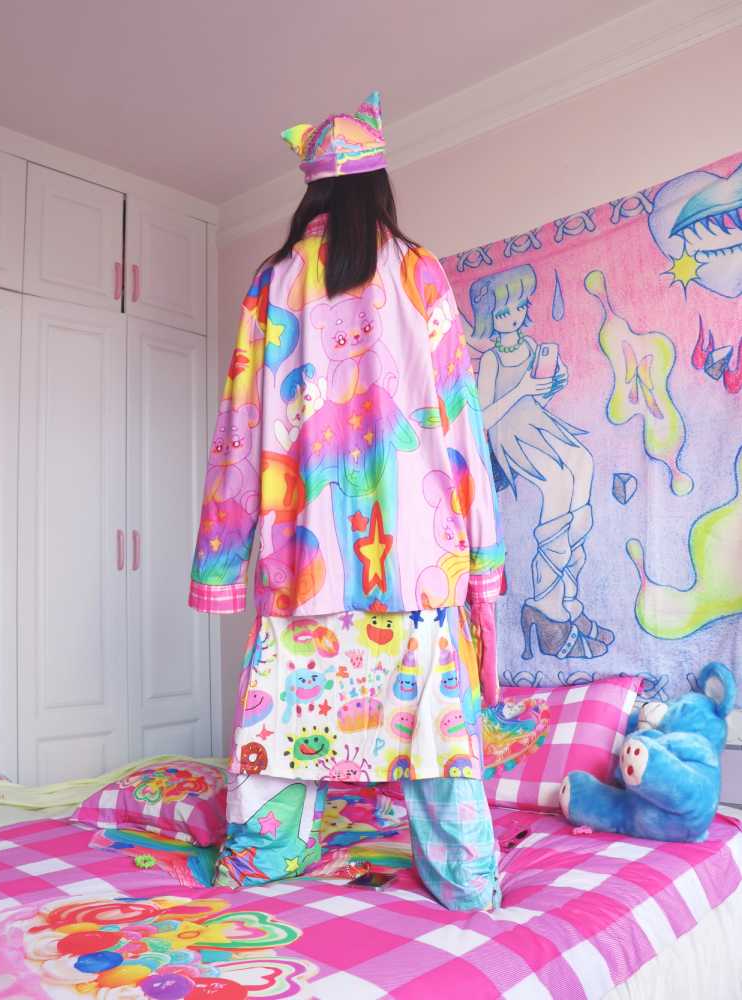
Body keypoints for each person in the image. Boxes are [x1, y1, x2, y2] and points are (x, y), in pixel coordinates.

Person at [188, 91, 505, 911]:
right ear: (378, 185)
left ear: (313, 192)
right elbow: (461, 427)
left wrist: (220, 564)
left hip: (303, 570)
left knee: (282, 726)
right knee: (436, 736)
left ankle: (262, 866)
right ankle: (466, 883)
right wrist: (484, 561)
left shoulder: (272, 284)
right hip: (422, 566)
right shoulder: (420, 272)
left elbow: (238, 431)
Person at [468, 264, 613, 660]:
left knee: (582, 461)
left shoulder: (531, 346)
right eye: (504, 312)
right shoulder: (492, 359)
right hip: (509, 431)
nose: (514, 316)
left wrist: (550, 385)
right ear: (490, 318)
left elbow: (537, 399)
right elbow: (482, 416)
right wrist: (522, 389)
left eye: (519, 307)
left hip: (535, 420)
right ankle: (546, 605)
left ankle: (567, 598)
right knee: (557, 482)